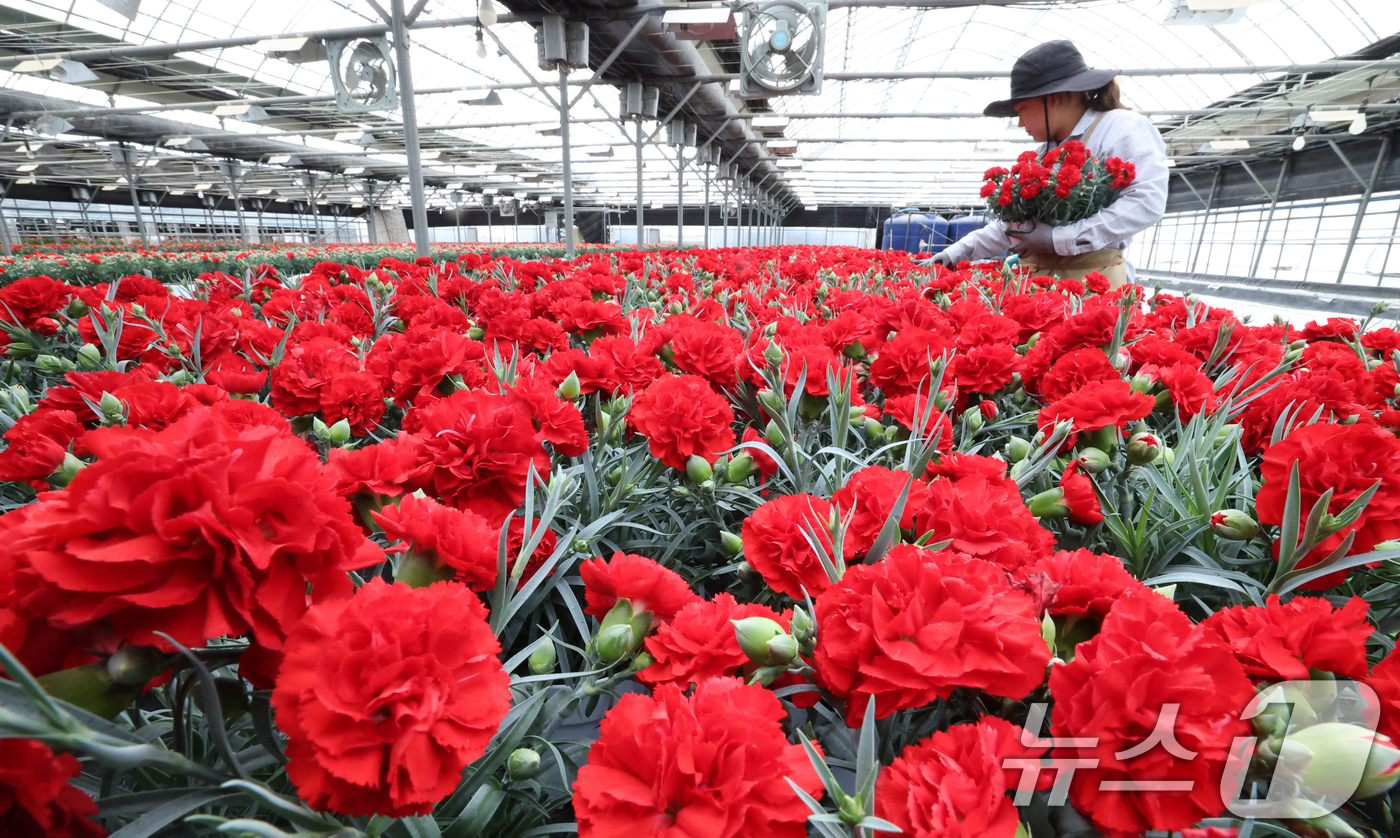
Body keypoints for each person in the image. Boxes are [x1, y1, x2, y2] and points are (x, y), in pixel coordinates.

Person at [932, 40, 1168, 286]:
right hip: (1041, 281)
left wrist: (1058, 239)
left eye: (1022, 109)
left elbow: (1146, 202)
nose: (1021, 123)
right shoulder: (1045, 152)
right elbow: (1013, 225)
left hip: (1095, 281)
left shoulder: (1121, 127)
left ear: (1053, 98)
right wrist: (952, 254)